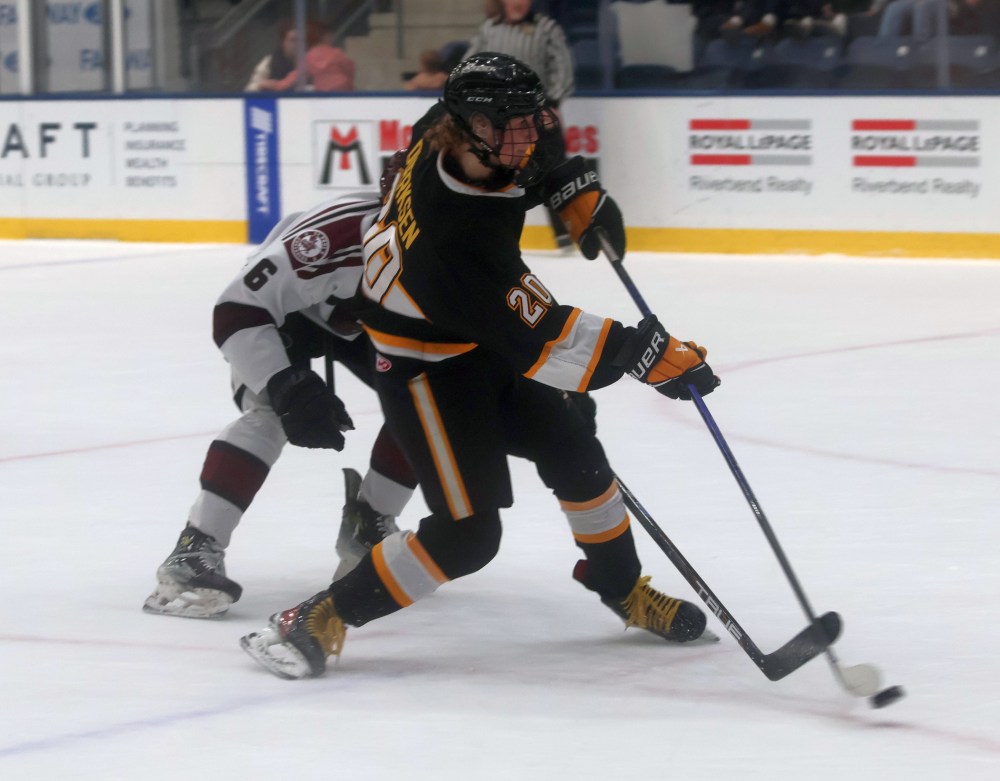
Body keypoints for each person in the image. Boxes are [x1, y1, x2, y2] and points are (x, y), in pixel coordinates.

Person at [240, 53, 721, 680]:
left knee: (577, 452)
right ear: (470, 129)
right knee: (469, 536)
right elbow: (548, 339)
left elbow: (537, 143)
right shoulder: (453, 241)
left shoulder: (445, 127)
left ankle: (620, 587)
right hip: (425, 370)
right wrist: (646, 354)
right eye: (512, 125)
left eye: (529, 118)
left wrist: (570, 183)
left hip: (473, 336)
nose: (530, 133)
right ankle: (315, 617)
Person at [143, 194, 417, 618]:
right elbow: (236, 309)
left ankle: (369, 524)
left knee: (428, 401)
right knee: (270, 412)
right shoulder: (336, 237)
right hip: (283, 314)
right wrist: (285, 385)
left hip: (367, 321)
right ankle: (194, 549)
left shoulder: (458, 242)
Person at [465, 0, 575, 251]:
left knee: (552, 171)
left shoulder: (546, 28)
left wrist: (554, 100)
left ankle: (565, 234)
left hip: (538, 114)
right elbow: (468, 65)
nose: (518, 3)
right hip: (497, 119)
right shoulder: (488, 30)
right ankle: (488, 233)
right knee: (491, 173)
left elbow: (563, 68)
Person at [265, 23, 356, 92]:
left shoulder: (310, 57)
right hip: (344, 95)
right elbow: (350, 70)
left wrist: (275, 85)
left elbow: (294, 78)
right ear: (327, 37)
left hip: (323, 97)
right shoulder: (338, 54)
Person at [244, 21, 300, 92]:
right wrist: (263, 84)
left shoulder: (309, 62)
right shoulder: (269, 62)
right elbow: (250, 89)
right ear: (283, 43)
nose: (297, 44)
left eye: (299, 40)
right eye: (293, 40)